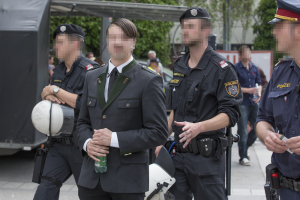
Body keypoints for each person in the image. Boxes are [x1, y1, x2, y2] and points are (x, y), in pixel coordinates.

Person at [155, 7, 243, 200]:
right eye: (184, 27)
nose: (185, 31)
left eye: (191, 27)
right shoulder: (179, 64)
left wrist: (199, 127)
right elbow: (174, 111)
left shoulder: (222, 68)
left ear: (205, 31)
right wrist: (160, 140)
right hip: (178, 158)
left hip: (207, 160)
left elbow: (231, 114)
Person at [76, 18, 168, 200]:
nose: (117, 42)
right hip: (91, 180)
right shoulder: (91, 77)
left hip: (128, 182)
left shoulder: (148, 80)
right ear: (107, 41)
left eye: (124, 38)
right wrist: (87, 144)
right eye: (113, 37)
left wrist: (114, 138)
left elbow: (158, 132)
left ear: (133, 42)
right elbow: (82, 122)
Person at [34, 24, 100, 200]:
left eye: (61, 42)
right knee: (45, 190)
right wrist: (46, 96)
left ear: (75, 44)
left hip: (81, 146)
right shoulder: (58, 71)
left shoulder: (91, 71)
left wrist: (55, 91)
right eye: (56, 42)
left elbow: (87, 104)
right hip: (58, 144)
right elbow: (52, 100)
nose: (56, 46)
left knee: (89, 194)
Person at [255, 0, 300, 199]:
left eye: (280, 26)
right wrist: (267, 135)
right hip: (286, 188)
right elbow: (263, 118)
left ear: (297, 30)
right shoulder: (281, 72)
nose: (274, 32)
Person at [234, 45, 262, 166]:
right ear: (240, 55)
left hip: (253, 102)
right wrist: (248, 90)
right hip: (242, 103)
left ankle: (246, 147)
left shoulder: (254, 67)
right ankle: (243, 156)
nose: (248, 54)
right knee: (242, 131)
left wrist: (259, 93)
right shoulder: (236, 68)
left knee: (258, 126)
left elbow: (259, 83)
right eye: (245, 52)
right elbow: (234, 87)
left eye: (249, 52)